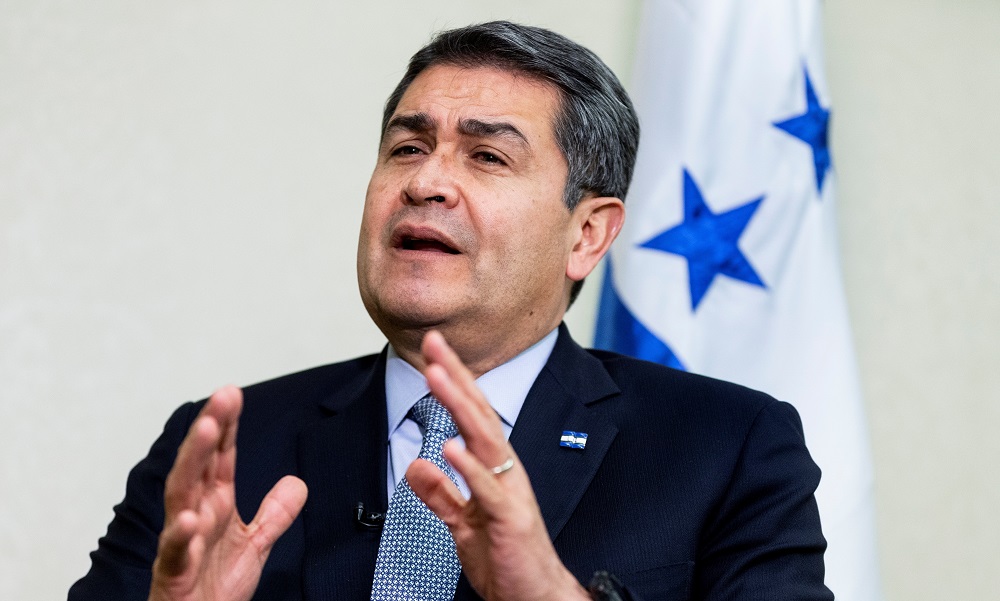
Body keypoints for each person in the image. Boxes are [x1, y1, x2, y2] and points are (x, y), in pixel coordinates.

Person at [70, 21, 833, 601]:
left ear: (587, 234)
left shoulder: (727, 447)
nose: (426, 182)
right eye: (407, 148)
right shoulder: (223, 450)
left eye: (487, 156)